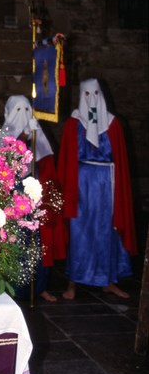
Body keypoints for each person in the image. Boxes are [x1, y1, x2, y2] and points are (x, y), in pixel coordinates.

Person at [57, 78, 138, 300]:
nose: (91, 99)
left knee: (107, 229)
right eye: (86, 94)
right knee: (80, 230)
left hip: (106, 184)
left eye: (95, 94)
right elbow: (66, 158)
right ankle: (73, 282)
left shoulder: (113, 124)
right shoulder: (73, 123)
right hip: (80, 184)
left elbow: (120, 160)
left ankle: (108, 280)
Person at [0, 95, 66, 303]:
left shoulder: (37, 135)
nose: (23, 116)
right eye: (18, 111)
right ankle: (13, 287)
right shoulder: (1, 138)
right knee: (14, 242)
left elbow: (47, 166)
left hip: (35, 197)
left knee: (38, 244)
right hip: (11, 200)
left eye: (26, 110)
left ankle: (39, 287)